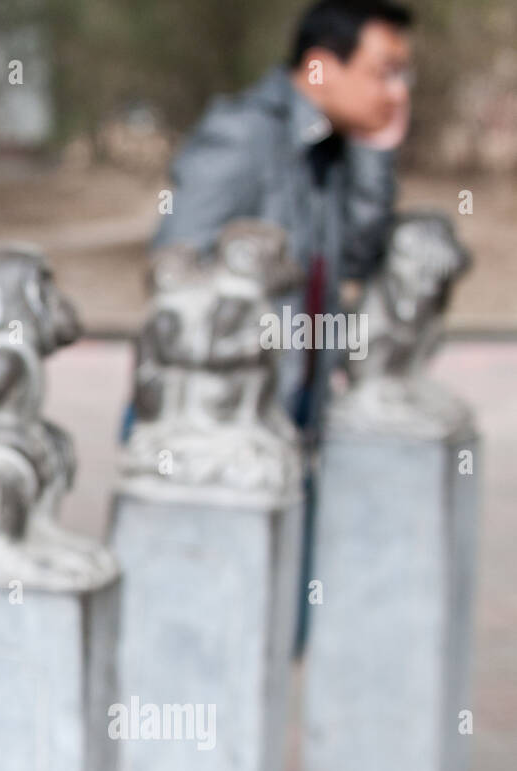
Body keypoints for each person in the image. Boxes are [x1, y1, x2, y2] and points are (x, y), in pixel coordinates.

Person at [152, 0, 414, 442]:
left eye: (403, 75)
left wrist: (376, 150)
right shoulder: (242, 134)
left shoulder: (332, 148)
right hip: (215, 433)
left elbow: (357, 260)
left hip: (296, 415)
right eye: (384, 72)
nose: (398, 92)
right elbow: (171, 272)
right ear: (321, 67)